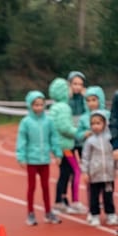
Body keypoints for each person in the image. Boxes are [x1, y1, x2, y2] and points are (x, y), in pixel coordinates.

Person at [16, 91, 62, 226]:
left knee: (46, 187)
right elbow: (22, 140)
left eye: (41, 104)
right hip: (31, 160)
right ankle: (30, 213)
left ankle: (48, 212)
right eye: (36, 105)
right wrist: (21, 157)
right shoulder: (26, 122)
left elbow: (54, 138)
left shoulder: (48, 121)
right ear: (30, 106)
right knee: (31, 187)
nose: (39, 107)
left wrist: (57, 153)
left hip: (44, 160)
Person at [48, 77, 86, 214]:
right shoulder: (64, 108)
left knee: (65, 173)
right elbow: (65, 128)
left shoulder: (55, 107)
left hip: (59, 145)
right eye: (68, 87)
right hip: (65, 146)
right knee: (75, 170)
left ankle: (60, 200)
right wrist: (80, 133)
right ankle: (74, 201)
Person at [81, 110, 118, 226]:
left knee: (108, 196)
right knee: (94, 196)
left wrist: (116, 168)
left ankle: (110, 214)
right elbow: (85, 157)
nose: (95, 126)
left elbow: (115, 156)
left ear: (105, 123)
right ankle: (95, 214)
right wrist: (85, 172)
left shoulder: (111, 139)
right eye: (93, 124)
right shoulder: (89, 141)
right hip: (95, 174)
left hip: (108, 174)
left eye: (98, 123)